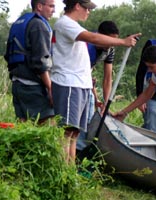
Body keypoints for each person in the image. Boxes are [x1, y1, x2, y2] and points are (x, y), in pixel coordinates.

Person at [51, 0, 140, 163]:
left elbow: (107, 76)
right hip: (69, 83)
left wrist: (102, 100)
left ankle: (70, 171)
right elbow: (92, 37)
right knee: (67, 131)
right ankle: (62, 170)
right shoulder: (65, 24)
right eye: (87, 8)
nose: (88, 12)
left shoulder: (74, 25)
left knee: (74, 132)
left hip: (81, 85)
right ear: (77, 5)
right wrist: (123, 42)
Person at [4, 0, 56, 123]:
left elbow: (8, 55)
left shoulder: (20, 23)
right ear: (39, 6)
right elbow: (41, 62)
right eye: (51, 6)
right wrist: (50, 88)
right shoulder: (39, 25)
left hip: (17, 83)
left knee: (23, 126)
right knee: (47, 125)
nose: (54, 10)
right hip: (32, 86)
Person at [76, 20, 120, 152]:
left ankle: (85, 148)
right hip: (76, 80)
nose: (111, 44)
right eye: (109, 40)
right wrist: (95, 96)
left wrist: (105, 102)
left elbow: (107, 78)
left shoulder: (109, 49)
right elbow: (82, 71)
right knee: (79, 118)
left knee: (90, 117)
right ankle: (77, 150)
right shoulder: (87, 46)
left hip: (86, 79)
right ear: (100, 36)